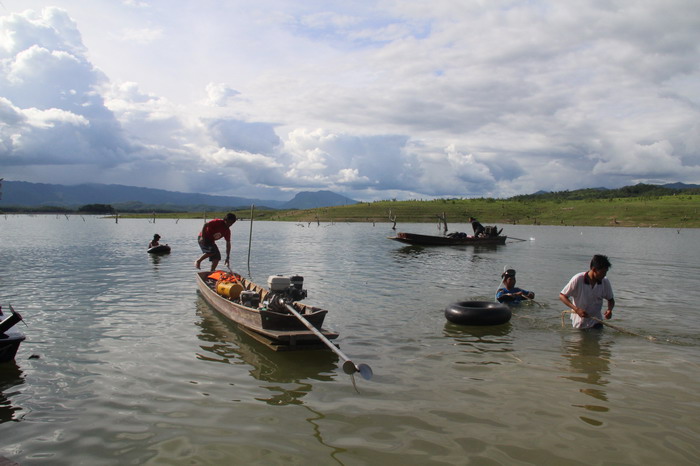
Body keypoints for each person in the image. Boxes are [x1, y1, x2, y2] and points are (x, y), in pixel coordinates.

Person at [559, 254, 615, 329]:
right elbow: (562, 296)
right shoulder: (578, 279)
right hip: (580, 323)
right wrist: (576, 309)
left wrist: (609, 310)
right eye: (602, 272)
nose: (604, 275)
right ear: (594, 269)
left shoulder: (604, 281)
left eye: (605, 272)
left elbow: (611, 300)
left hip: (597, 322)